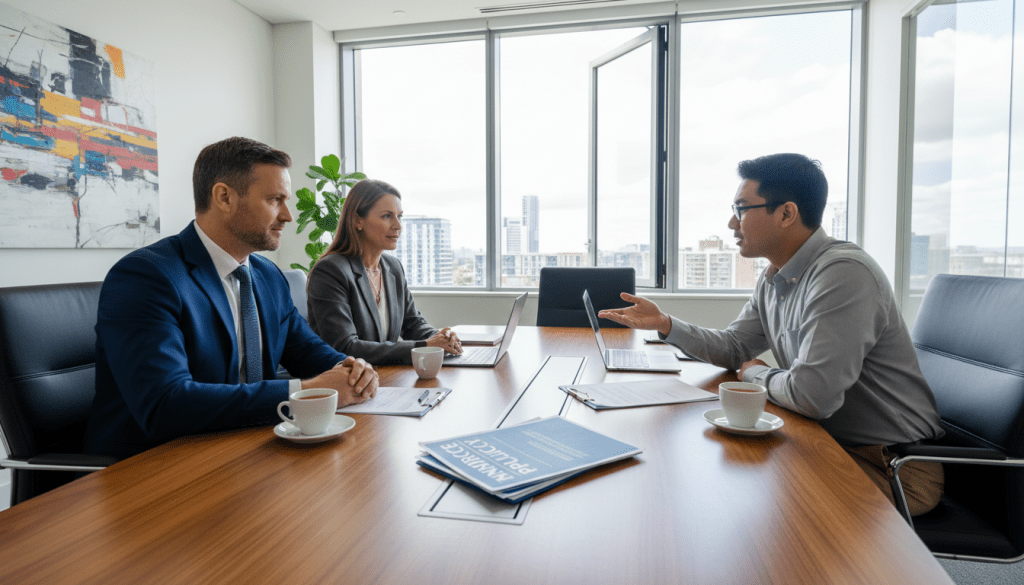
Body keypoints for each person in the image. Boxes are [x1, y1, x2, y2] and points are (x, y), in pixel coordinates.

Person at [599, 153, 945, 516]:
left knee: (739, 499)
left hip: (894, 468)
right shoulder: (774, 278)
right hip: (831, 442)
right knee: (717, 476)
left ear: (785, 214)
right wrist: (666, 324)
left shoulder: (842, 274)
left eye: (742, 208)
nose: (732, 222)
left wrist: (754, 374)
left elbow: (812, 397)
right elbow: (735, 347)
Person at [84, 137, 378, 459]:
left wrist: (351, 370)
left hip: (244, 451)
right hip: (153, 465)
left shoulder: (267, 276)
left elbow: (308, 351)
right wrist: (302, 392)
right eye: (275, 200)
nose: (288, 216)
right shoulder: (146, 278)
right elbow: (166, 405)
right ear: (224, 197)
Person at [306, 179, 462, 365]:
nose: (398, 226)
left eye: (400, 216)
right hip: (346, 382)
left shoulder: (392, 267)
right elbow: (346, 347)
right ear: (357, 221)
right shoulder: (331, 270)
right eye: (387, 216)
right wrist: (424, 345)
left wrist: (440, 337)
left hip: (385, 375)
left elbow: (412, 323)